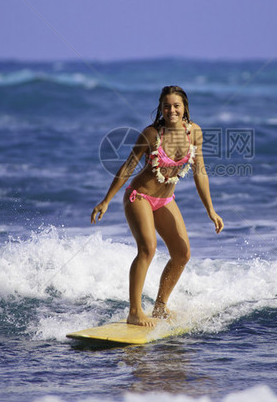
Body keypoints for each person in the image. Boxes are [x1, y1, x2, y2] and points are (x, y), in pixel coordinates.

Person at [91, 86, 224, 326]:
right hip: (139, 196)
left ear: (185, 108)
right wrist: (106, 200)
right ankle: (135, 312)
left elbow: (200, 172)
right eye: (166, 106)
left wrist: (210, 210)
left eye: (176, 105)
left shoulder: (194, 133)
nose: (171, 110)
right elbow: (129, 166)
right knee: (148, 249)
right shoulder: (152, 134)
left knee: (182, 253)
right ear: (160, 109)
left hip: (165, 200)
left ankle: (160, 307)